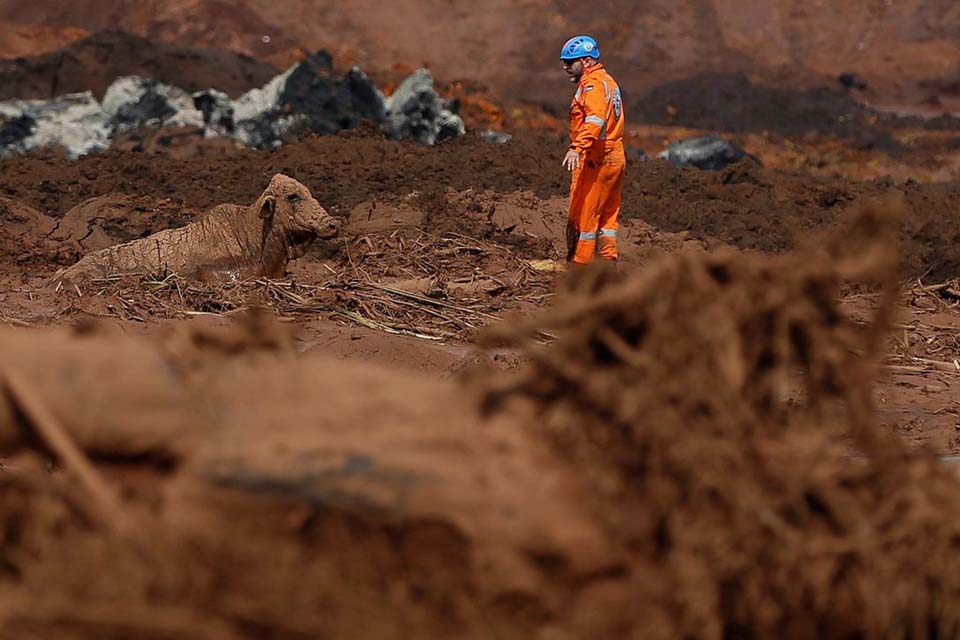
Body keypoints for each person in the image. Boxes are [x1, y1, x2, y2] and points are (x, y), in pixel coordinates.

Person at [560, 35, 626, 265]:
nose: (566, 68)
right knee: (608, 216)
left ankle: (581, 270)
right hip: (615, 155)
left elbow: (595, 120)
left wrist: (577, 147)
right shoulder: (608, 81)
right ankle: (607, 266)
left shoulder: (594, 85)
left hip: (599, 158)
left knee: (587, 216)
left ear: (586, 61)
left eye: (570, 63)